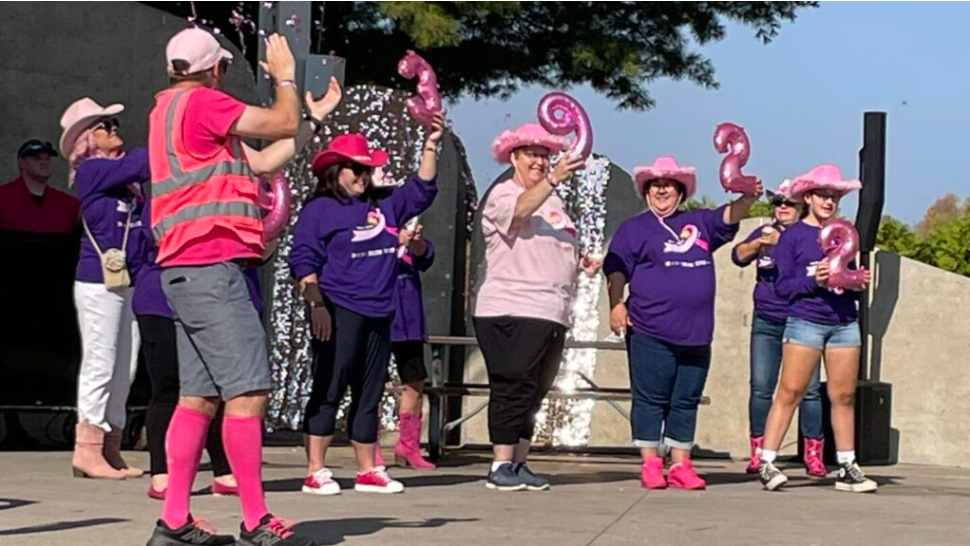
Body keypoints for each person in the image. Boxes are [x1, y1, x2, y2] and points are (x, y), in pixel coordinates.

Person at [145, 28, 341, 546]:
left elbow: (260, 160)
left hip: (188, 269)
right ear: (214, 70)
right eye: (226, 70)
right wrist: (286, 77)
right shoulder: (204, 103)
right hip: (211, 267)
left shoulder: (169, 109)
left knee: (198, 398)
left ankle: (174, 522)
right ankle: (255, 521)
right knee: (248, 393)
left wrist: (311, 119)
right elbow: (279, 118)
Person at [289, 118, 443, 496]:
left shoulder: (385, 201)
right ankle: (316, 469)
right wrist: (317, 306)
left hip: (381, 310)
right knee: (330, 385)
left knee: (370, 391)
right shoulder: (320, 209)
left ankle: (367, 469)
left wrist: (431, 144)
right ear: (334, 170)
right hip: (338, 308)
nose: (363, 175)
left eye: (368, 168)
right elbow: (303, 260)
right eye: (356, 168)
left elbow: (422, 189)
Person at [605, 156, 761, 490]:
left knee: (685, 398)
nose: (662, 190)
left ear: (680, 191)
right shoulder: (635, 228)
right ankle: (650, 463)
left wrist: (748, 197)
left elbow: (728, 215)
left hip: (696, 332)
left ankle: (681, 464)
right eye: (656, 184)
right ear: (646, 191)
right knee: (650, 397)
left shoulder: (699, 222)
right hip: (649, 328)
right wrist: (616, 302)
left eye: (669, 185)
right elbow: (616, 268)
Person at [473, 123, 601, 492]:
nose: (540, 161)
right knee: (513, 384)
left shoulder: (555, 203)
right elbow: (517, 215)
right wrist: (555, 180)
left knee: (535, 389)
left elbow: (550, 246)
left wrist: (580, 261)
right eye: (531, 154)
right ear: (513, 157)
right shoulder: (504, 193)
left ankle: (519, 461)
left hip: (551, 311)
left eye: (545, 155)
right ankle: (499, 464)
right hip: (512, 308)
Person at [134, 188, 271, 500]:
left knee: (217, 393)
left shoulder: (238, 189)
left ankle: (222, 472)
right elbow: (157, 238)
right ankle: (162, 474)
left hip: (226, 289)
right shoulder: (176, 191)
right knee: (173, 389)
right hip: (166, 300)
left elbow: (257, 250)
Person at [757, 164, 878, 494]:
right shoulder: (793, 235)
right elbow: (783, 286)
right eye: (823, 194)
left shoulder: (846, 231)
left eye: (835, 195)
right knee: (790, 392)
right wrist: (814, 280)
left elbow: (849, 274)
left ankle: (847, 465)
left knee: (843, 396)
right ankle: (767, 461)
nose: (829, 200)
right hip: (805, 320)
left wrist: (856, 281)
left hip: (843, 322)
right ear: (807, 196)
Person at [61, 97, 149, 481]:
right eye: (106, 127)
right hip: (98, 279)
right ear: (87, 139)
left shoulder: (122, 180)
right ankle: (88, 447)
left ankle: (110, 444)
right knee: (101, 359)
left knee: (124, 366)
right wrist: (171, 137)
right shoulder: (92, 171)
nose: (115, 131)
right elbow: (144, 161)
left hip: (124, 277)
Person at [731, 180, 826, 478]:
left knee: (809, 390)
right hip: (768, 320)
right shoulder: (765, 232)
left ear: (803, 206)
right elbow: (738, 256)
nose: (782, 207)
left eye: (790, 203)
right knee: (761, 387)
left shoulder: (815, 235)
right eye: (777, 202)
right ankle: (758, 451)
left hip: (802, 320)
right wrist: (760, 243)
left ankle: (814, 452)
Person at [374, 221, 437, 470]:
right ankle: (371, 446)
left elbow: (426, 259)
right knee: (373, 383)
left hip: (408, 319)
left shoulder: (409, 234)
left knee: (414, 380)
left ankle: (408, 446)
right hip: (379, 315)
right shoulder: (374, 228)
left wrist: (417, 242)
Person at [0, 139, 79, 233]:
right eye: (37, 158)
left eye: (47, 158)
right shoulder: (3, 198)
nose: (44, 163)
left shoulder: (69, 205)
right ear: (22, 163)